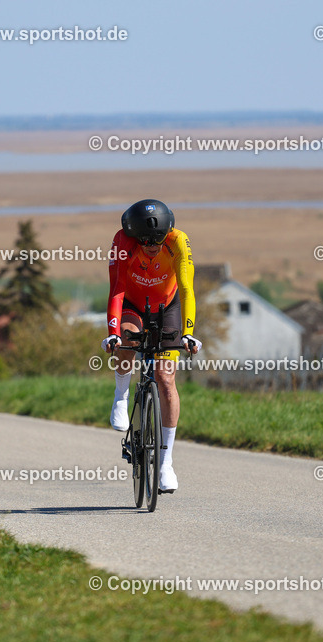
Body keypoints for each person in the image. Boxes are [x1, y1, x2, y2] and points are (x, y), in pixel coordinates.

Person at [101, 199, 202, 493]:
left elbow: (186, 289)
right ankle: (121, 395)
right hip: (132, 303)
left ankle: (165, 462)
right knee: (127, 337)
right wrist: (112, 332)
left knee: (165, 378)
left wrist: (189, 333)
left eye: (157, 239)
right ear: (134, 236)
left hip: (166, 306)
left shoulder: (179, 241)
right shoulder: (122, 242)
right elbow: (117, 288)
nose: (152, 245)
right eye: (145, 241)